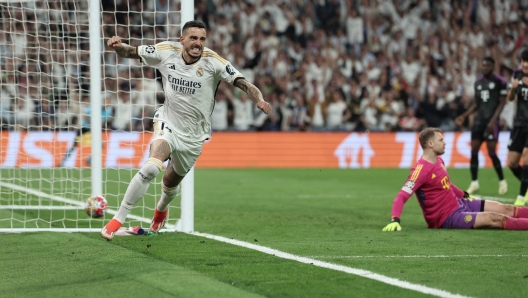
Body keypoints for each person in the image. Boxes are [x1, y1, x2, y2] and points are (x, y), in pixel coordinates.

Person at [101, 21, 272, 240]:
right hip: (168, 122)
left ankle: (161, 209)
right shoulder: (165, 51)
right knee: (153, 167)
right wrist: (118, 46)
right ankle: (117, 220)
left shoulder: (214, 62)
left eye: (202, 39)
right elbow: (131, 52)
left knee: (169, 184)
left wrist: (259, 99)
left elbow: (244, 83)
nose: (198, 43)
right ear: (182, 40)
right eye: (193, 38)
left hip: (194, 136)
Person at [382, 127, 528, 232]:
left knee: (505, 208)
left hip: (459, 202)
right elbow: (401, 196)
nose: (444, 143)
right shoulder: (420, 170)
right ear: (430, 144)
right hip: (448, 216)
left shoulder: (439, 160)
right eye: (441, 140)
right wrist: (395, 219)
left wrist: (464, 195)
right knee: (494, 218)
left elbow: (446, 184)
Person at [455, 57, 508, 195]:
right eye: (483, 65)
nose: (485, 68)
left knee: (491, 152)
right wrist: (464, 116)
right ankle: (474, 183)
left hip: (492, 122)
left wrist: (493, 121)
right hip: (479, 122)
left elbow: (502, 103)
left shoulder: (500, 82)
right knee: (474, 151)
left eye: (488, 66)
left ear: (493, 66)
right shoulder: (478, 82)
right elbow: (476, 104)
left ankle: (502, 181)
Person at [505, 50, 528, 206]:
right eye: (523, 61)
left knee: (526, 155)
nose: (525, 64)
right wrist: (513, 89)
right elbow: (510, 98)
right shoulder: (517, 74)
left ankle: (521, 196)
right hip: (519, 123)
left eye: (527, 62)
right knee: (512, 163)